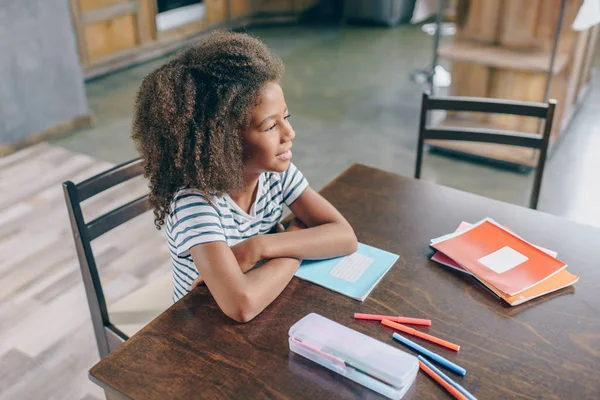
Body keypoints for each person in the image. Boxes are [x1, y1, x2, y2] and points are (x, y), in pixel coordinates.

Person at [132, 31, 357, 323]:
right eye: (269, 126)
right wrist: (299, 241)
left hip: (268, 309)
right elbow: (242, 305)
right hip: (200, 334)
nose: (289, 134)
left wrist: (260, 246)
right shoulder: (196, 204)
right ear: (224, 142)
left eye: (285, 118)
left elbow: (345, 237)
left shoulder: (277, 173)